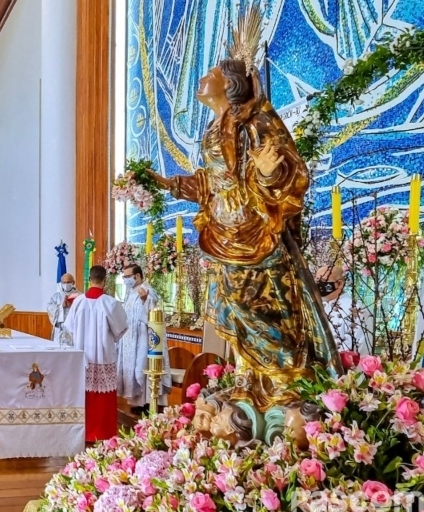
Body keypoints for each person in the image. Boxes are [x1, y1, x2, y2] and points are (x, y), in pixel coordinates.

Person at [146, 25, 343, 409]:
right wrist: (168, 184)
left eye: (210, 75)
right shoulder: (210, 132)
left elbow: (289, 170)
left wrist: (271, 173)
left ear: (229, 84)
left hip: (256, 235)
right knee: (232, 309)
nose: (201, 80)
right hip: (223, 234)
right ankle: (254, 381)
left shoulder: (255, 122)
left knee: (265, 311)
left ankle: (284, 383)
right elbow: (211, 184)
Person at [64, 265, 128, 442]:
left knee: (84, 393)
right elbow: (121, 329)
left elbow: (69, 328)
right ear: (105, 280)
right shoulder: (110, 303)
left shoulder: (78, 302)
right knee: (103, 397)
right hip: (103, 354)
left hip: (82, 355)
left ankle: (83, 432)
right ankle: (103, 433)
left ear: (89, 280)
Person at [118, 264, 169, 412]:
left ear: (138, 276)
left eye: (128, 277)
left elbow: (155, 313)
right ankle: (138, 402)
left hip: (144, 340)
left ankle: (148, 402)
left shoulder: (148, 291)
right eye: (124, 277)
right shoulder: (131, 293)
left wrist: (145, 300)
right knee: (134, 368)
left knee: (143, 367)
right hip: (130, 338)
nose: (126, 280)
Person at [316, 265, 372, 355]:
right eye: (317, 280)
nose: (318, 285)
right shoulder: (318, 306)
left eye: (323, 281)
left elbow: (360, 347)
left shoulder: (357, 309)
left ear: (339, 284)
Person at [47, 274, 80, 344]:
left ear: (73, 282)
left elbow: (83, 312)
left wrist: (72, 307)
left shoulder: (80, 296)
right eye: (64, 282)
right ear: (61, 283)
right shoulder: (56, 296)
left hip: (74, 330)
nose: (66, 284)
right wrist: (61, 306)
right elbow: (49, 308)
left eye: (68, 282)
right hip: (60, 330)